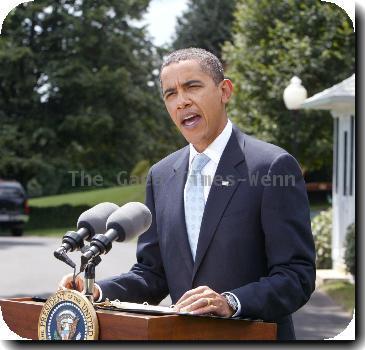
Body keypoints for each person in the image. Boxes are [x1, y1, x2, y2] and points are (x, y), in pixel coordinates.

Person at [60, 48, 316, 340]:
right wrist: (97, 290)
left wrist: (231, 302)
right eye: (170, 94)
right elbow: (152, 274)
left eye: (192, 86)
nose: (181, 101)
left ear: (224, 90)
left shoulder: (272, 166)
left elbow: (297, 276)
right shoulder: (161, 175)